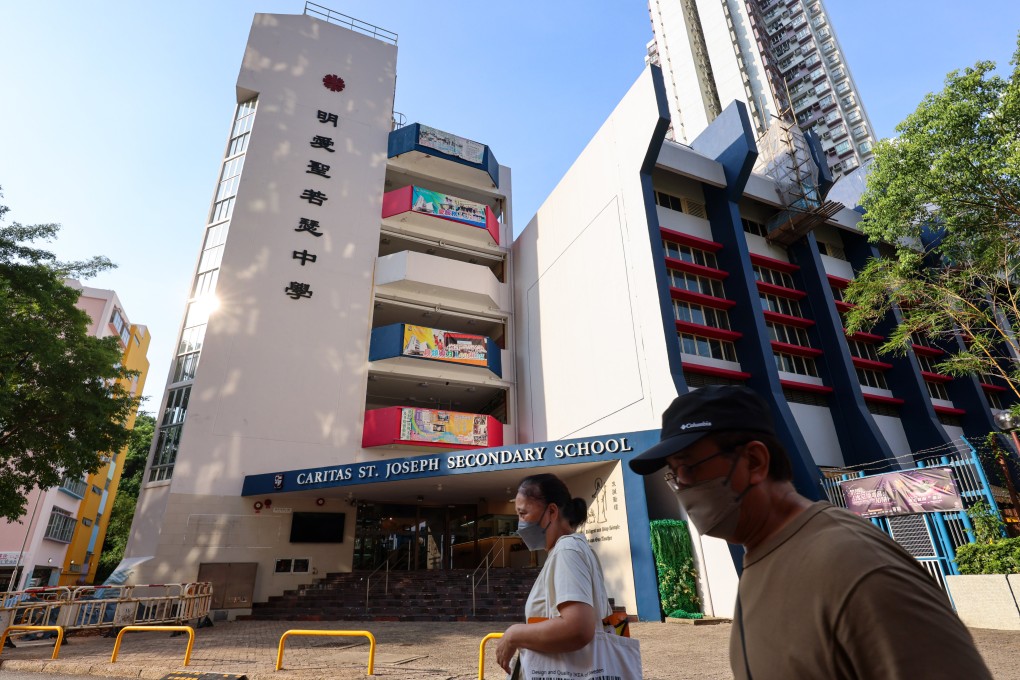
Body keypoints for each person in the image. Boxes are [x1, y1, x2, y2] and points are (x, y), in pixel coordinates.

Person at [627, 385, 993, 680]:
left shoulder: (854, 566)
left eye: (688, 468)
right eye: (674, 475)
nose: (682, 487)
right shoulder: (763, 554)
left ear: (754, 462)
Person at [495, 473, 612, 674]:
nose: (520, 524)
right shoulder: (576, 548)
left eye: (523, 514)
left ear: (551, 511)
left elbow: (577, 629)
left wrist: (514, 634)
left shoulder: (567, 550)